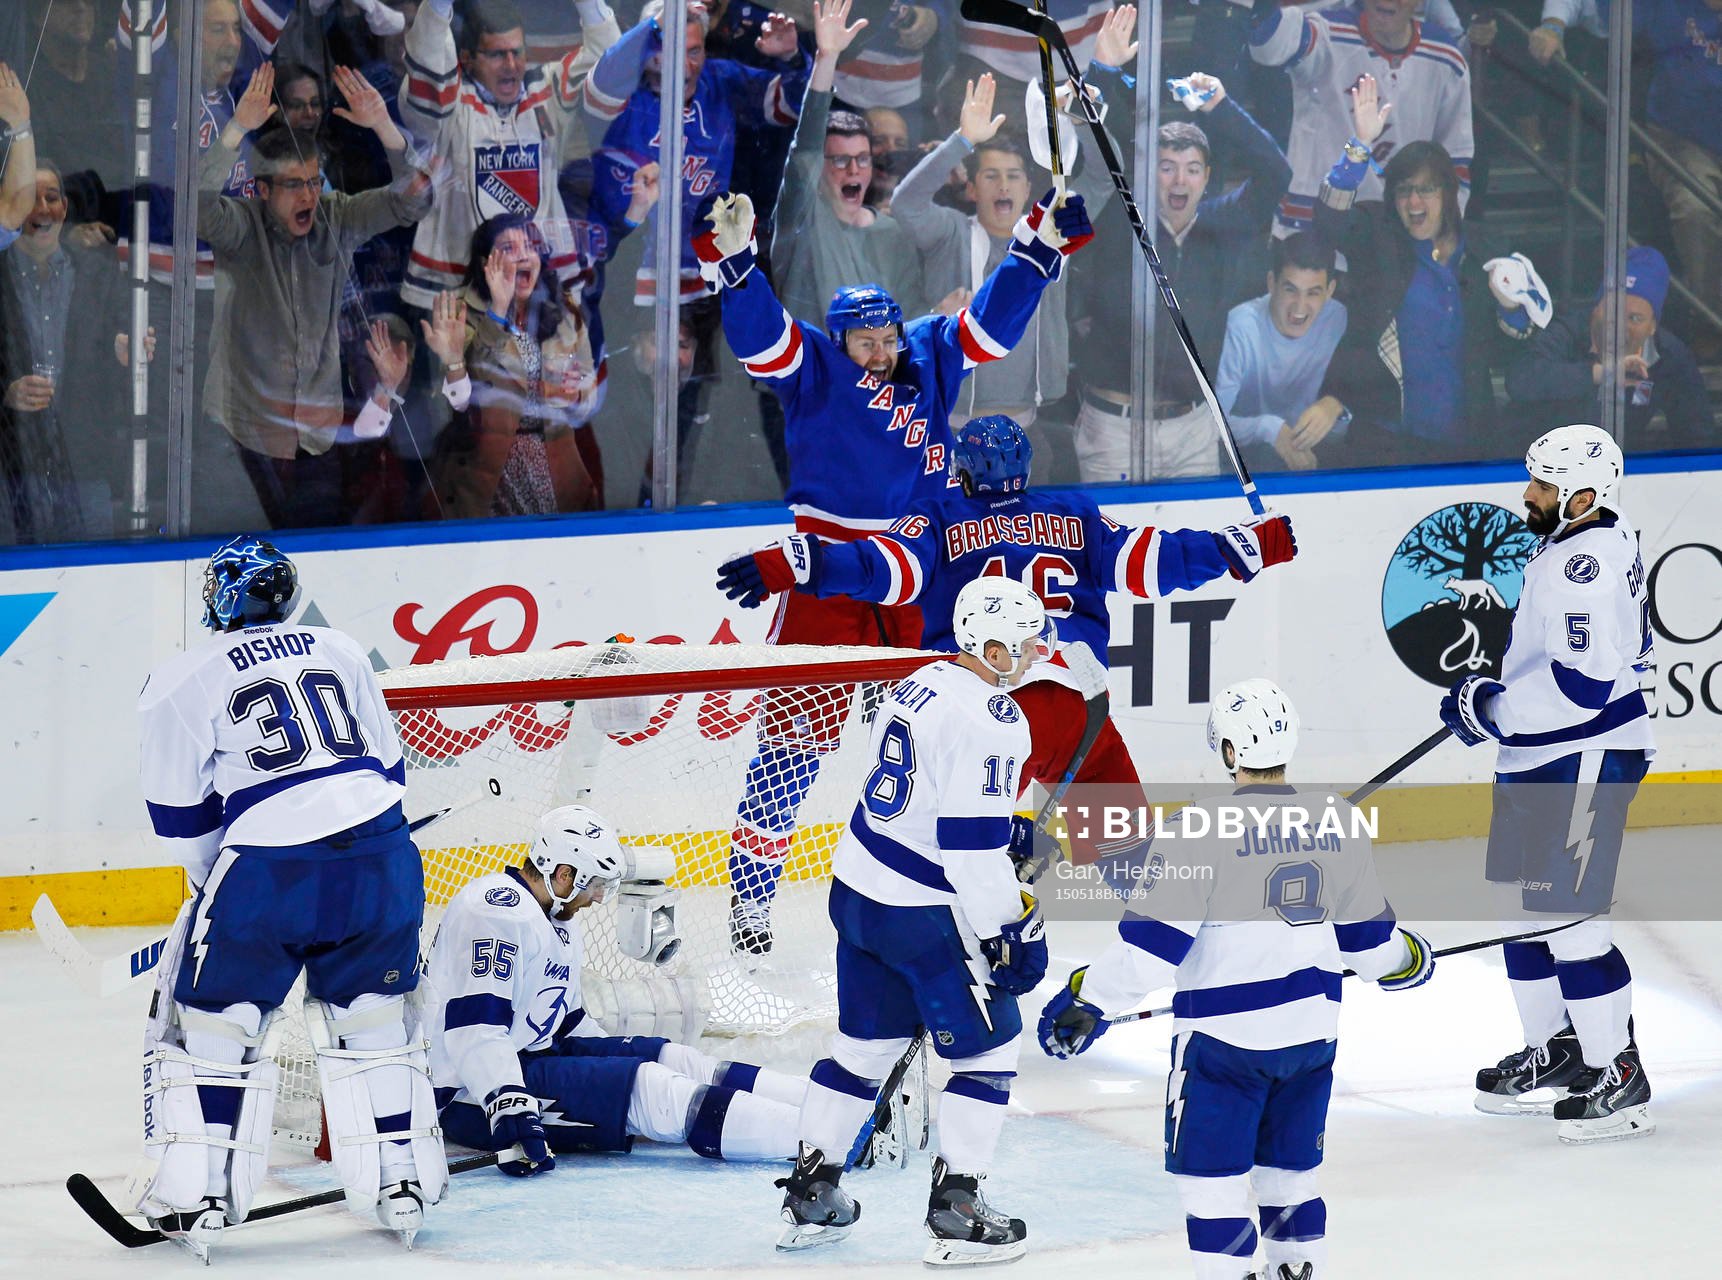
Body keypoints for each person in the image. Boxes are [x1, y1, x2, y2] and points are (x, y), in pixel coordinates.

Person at [694, 174, 1093, 954]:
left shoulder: (928, 354)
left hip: (916, 573)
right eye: (865, 344)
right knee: (791, 751)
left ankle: (966, 873)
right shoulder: (814, 364)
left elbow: (991, 327)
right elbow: (760, 337)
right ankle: (750, 899)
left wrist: (1037, 252)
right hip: (829, 577)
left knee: (956, 729)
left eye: (887, 341)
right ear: (841, 341)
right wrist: (738, 266)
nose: (879, 355)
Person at [716, 414, 1298, 865]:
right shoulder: (1076, 515)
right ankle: (1218, 930)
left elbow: (884, 570)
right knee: (1134, 867)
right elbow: (1157, 560)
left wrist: (800, 562)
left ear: (963, 471)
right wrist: (1242, 545)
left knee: (949, 862)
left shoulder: (939, 517)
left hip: (990, 714)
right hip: (1078, 713)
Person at [1039, 678, 1436, 1280]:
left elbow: (1148, 953)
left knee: (1214, 1191)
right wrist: (1412, 959)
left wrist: (1085, 999)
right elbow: (1372, 948)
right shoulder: (1338, 821)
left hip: (1223, 1048)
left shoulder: (1199, 829)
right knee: (1291, 1182)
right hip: (1310, 1040)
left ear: (1229, 751)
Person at [132, 537, 445, 1261]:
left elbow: (179, 817)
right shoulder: (338, 646)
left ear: (219, 598)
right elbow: (391, 771)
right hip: (384, 858)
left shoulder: (182, 677)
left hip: (268, 872)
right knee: (375, 1022)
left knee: (219, 1027)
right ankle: (402, 1178)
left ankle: (203, 1191)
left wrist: (215, 882)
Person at [775, 576, 1051, 1265]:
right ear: (990, 645)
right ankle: (956, 1211)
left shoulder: (917, 679)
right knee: (989, 1049)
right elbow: (968, 852)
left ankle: (813, 1189)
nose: (1035, 651)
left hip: (857, 890)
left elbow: (924, 795)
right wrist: (1008, 929)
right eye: (1024, 642)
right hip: (921, 913)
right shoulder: (997, 717)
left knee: (863, 1049)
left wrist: (998, 828)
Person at [1439, 425, 1656, 1144]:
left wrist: (1489, 707)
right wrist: (1496, 708)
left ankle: (1617, 1072)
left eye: (1543, 487)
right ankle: (1561, 1050)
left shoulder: (1582, 568)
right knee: (1522, 912)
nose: (1528, 496)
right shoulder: (1582, 537)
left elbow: (1586, 688)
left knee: (1571, 920)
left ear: (1585, 496)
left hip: (1585, 752)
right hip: (1541, 753)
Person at [424, 804, 811, 1169]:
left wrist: (614, 1061)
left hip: (529, 1060)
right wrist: (505, 1100)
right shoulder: (496, 911)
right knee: (653, 1090)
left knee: (676, 1060)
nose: (596, 898)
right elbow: (474, 1028)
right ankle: (820, 1140)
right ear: (563, 873)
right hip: (472, 1095)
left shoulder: (555, 919)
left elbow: (568, 1022)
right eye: (593, 884)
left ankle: (824, 1105)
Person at [197, 64, 433, 530]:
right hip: (244, 436)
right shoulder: (242, 227)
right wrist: (237, 129)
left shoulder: (335, 216)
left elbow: (413, 202)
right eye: (293, 185)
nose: (308, 195)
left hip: (317, 436)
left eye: (312, 182)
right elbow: (196, 207)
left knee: (316, 566)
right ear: (262, 190)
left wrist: (385, 127)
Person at [1071, 55, 1289, 484]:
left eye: (1191, 170)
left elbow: (1276, 172)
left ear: (1207, 178)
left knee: (1195, 550)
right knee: (1111, 550)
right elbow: (1093, 141)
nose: (1178, 182)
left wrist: (1221, 106)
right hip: (1114, 427)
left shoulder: (1223, 224)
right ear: (1149, 174)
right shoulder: (1119, 218)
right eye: (1167, 168)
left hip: (1193, 430)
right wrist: (1102, 70)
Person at [890, 73, 1114, 482]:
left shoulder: (1054, 235)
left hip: (1026, 431)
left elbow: (1103, 178)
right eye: (990, 175)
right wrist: (962, 140)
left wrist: (1085, 116)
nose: (1003, 185)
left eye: (1012, 175)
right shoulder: (950, 232)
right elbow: (904, 203)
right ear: (972, 188)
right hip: (950, 433)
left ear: (1029, 186)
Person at [1307, 76, 1538, 465]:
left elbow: (1519, 346)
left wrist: (1511, 308)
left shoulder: (1487, 249)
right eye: (1403, 190)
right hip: (1388, 444)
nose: (1414, 200)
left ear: (1448, 194)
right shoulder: (1380, 239)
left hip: (1468, 444)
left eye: (1427, 189)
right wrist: (1358, 145)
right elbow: (1328, 220)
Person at [584, 0, 808, 309]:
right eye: (672, 52)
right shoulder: (624, 90)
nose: (685, 66)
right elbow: (600, 88)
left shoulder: (719, 81)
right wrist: (657, 24)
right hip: (624, 271)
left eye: (694, 52)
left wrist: (791, 59)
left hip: (706, 276)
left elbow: (791, 107)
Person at [398, 0, 621, 311]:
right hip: (458, 293)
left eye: (517, 52)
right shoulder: (450, 103)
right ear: (467, 59)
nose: (511, 64)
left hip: (542, 289)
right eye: (497, 54)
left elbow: (611, 61)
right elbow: (429, 63)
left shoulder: (545, 91)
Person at [1, 159, 149, 543]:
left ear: (65, 209)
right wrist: (6, 391)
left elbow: (122, 344)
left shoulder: (97, 271)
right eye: (30, 198)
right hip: (12, 469)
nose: (43, 208)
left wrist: (126, 352)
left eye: (52, 197)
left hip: (84, 466)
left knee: (96, 590)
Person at [1248, 0, 1473, 237]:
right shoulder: (1326, 34)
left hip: (1398, 234)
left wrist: (1446, 232)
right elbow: (1267, 43)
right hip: (1310, 227)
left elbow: (1455, 159)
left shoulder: (1445, 57)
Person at [430, 214, 603, 517]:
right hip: (486, 472)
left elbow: (588, 394)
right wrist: (498, 309)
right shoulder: (459, 310)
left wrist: (574, 396)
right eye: (508, 248)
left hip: (556, 469)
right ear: (487, 263)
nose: (524, 254)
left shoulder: (564, 311)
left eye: (531, 246)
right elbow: (467, 395)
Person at [1506, 246, 1711, 451]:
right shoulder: (1566, 331)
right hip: (1530, 465)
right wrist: (1602, 373)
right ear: (1595, 309)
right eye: (1614, 311)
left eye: (1635, 318)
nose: (1620, 326)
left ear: (1652, 326)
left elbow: (1697, 434)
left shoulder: (1668, 355)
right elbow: (1520, 379)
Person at [1215, 233, 1349, 473]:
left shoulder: (1338, 319)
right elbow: (1211, 425)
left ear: (1330, 291)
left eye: (1313, 293)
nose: (1299, 306)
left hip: (1311, 460)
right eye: (1290, 290)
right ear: (1271, 283)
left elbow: (1351, 424)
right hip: (1246, 463)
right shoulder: (1242, 326)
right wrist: (1270, 429)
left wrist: (1335, 407)